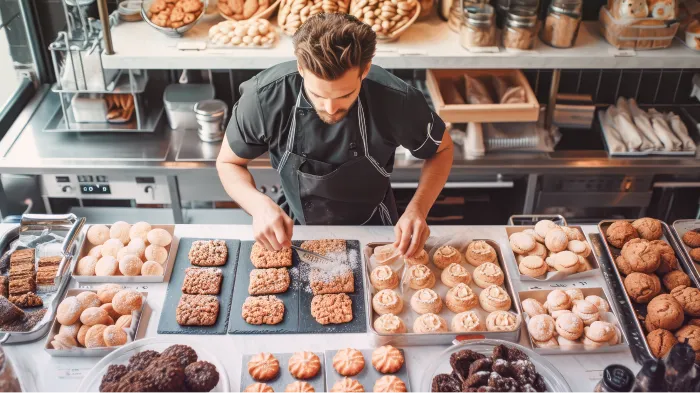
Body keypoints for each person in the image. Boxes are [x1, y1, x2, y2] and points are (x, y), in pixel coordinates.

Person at [216, 13, 453, 258]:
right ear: (300, 68)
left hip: (378, 230)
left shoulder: (397, 100)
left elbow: (442, 150)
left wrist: (417, 209)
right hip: (295, 230)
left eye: (344, 95)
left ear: (366, 70)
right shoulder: (263, 98)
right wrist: (259, 206)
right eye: (318, 95)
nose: (330, 109)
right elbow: (228, 162)